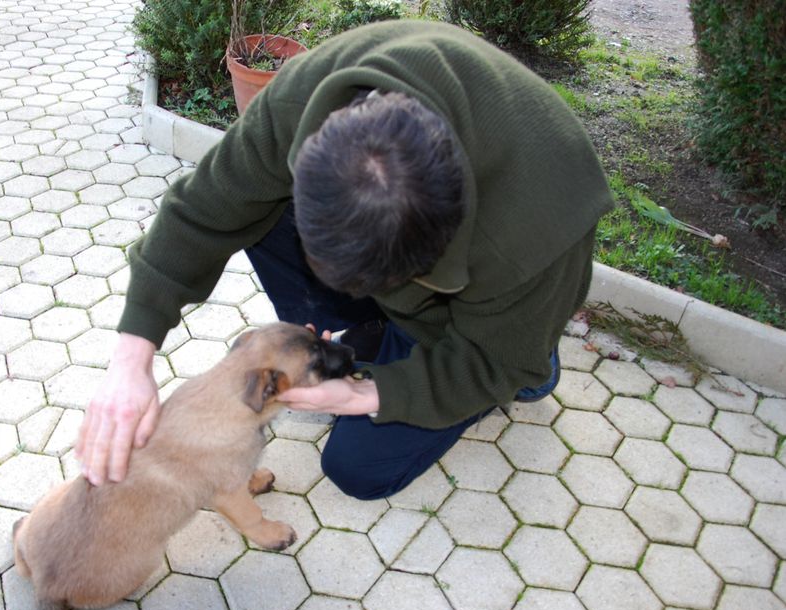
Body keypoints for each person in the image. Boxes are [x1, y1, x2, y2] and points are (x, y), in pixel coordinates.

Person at [74, 19, 614, 499]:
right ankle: (373, 337)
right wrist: (131, 360)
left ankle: (531, 361)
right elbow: (201, 212)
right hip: (410, 279)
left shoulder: (538, 223)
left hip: (477, 330)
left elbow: (492, 363)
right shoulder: (305, 100)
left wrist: (366, 393)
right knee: (253, 214)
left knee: (357, 471)